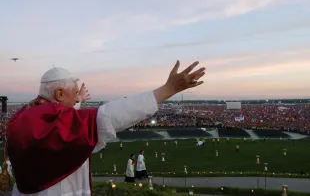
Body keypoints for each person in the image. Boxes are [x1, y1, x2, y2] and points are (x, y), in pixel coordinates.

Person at [8, 60, 205, 196]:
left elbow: (64, 123)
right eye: (74, 93)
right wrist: (168, 89)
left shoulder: (28, 114)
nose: (77, 98)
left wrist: (77, 100)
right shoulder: (54, 120)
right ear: (59, 93)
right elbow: (109, 116)